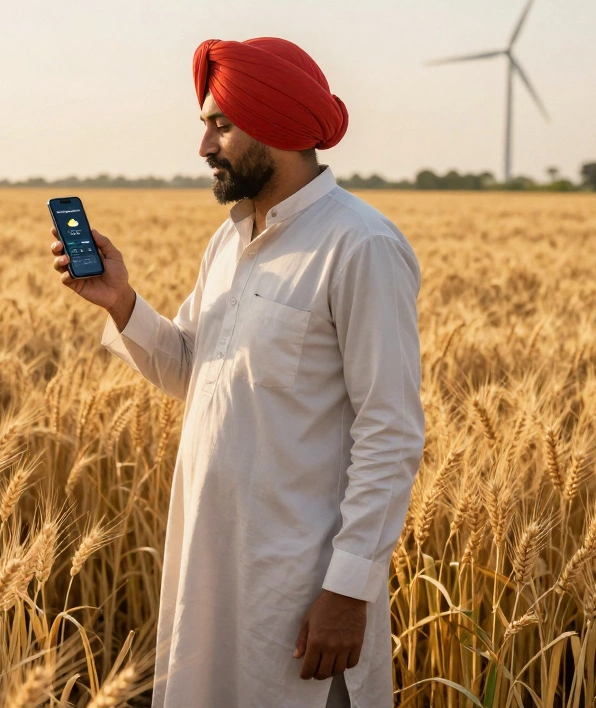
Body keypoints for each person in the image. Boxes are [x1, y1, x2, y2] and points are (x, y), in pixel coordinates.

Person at [49, 37, 425, 708]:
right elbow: (196, 374)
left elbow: (390, 430)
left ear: (276, 125)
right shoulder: (229, 241)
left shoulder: (359, 245)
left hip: (299, 597)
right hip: (207, 574)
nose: (204, 147)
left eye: (219, 124)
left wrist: (348, 589)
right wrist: (121, 302)